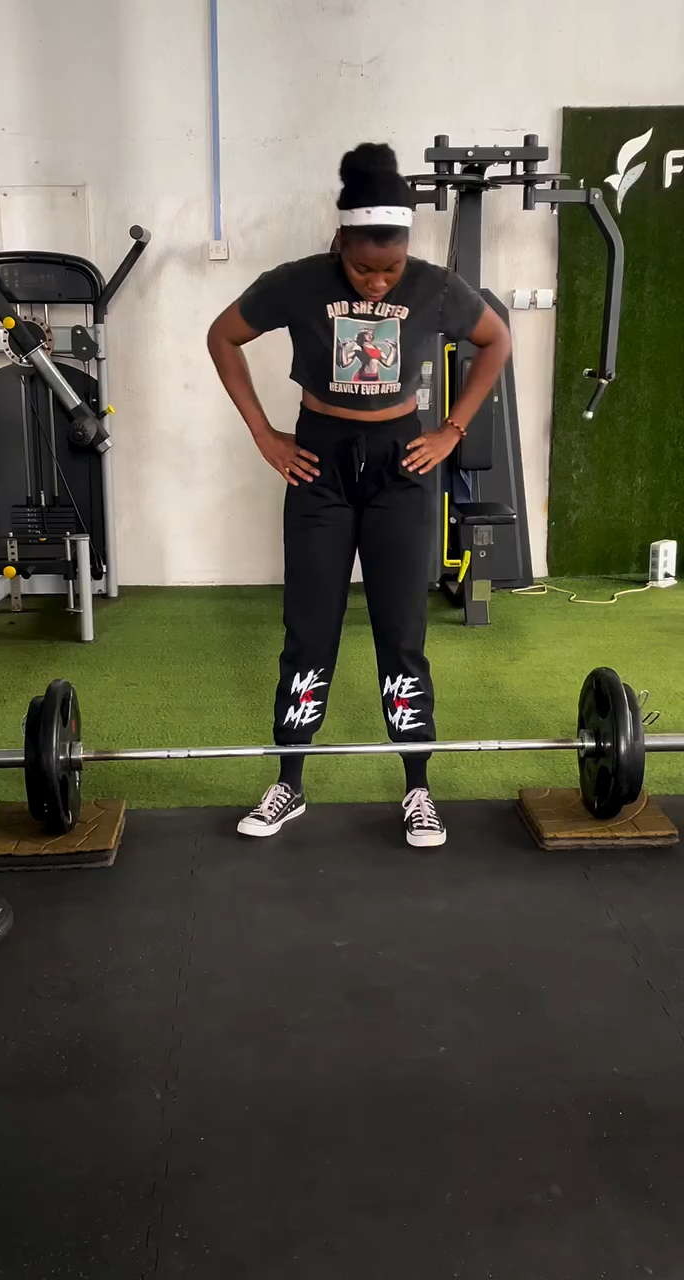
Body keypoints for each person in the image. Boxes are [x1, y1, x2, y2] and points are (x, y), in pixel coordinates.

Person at [208, 142, 511, 847]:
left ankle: (417, 788)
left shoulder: (435, 287)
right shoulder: (296, 282)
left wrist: (452, 430)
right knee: (309, 627)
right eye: (363, 269)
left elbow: (496, 341)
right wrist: (265, 435)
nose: (377, 283)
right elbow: (223, 336)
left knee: (401, 630)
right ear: (339, 242)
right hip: (320, 463)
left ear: (407, 253)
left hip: (401, 468)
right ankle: (289, 782)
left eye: (390, 270)